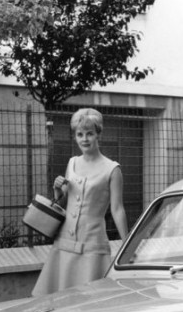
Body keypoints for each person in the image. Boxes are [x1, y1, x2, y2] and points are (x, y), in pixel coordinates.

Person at [32, 108, 129, 296]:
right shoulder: (72, 163)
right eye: (79, 134)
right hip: (65, 243)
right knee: (59, 299)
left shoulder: (113, 169)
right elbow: (65, 200)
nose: (84, 139)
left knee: (90, 300)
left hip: (93, 245)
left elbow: (117, 209)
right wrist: (57, 191)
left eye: (89, 133)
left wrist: (127, 244)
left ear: (98, 134)